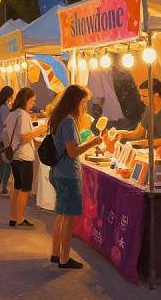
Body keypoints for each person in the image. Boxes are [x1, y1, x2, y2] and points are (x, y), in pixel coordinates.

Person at [49, 85, 101, 269]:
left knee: (61, 214)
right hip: (68, 174)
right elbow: (72, 152)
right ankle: (64, 258)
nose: (85, 106)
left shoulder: (58, 118)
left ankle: (56, 254)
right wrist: (92, 142)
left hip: (57, 172)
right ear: (76, 101)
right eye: (84, 101)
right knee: (68, 218)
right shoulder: (69, 122)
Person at [5, 88, 47, 228]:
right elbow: (24, 136)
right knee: (25, 189)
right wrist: (39, 131)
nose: (33, 103)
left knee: (17, 187)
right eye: (32, 100)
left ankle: (13, 217)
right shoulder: (22, 115)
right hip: (24, 156)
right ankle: (20, 218)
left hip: (15, 155)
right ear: (26, 99)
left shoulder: (12, 113)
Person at [117, 78, 161, 147]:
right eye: (141, 96)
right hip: (150, 150)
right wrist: (122, 134)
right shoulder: (149, 108)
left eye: (144, 96)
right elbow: (139, 133)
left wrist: (150, 142)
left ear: (156, 94)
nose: (141, 99)